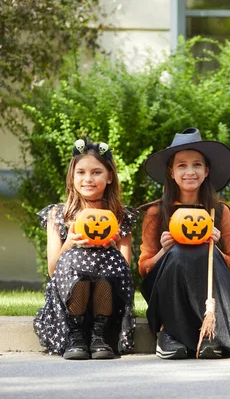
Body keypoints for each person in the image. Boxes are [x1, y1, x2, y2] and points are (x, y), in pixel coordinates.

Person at [138, 127, 230, 361]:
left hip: (206, 289)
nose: (190, 171)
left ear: (206, 170)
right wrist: (164, 251)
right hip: (167, 289)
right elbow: (144, 268)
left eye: (197, 165)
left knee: (199, 250)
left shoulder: (219, 211)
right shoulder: (156, 212)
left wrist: (216, 247)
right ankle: (170, 332)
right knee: (178, 252)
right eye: (182, 165)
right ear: (171, 172)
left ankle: (209, 331)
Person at [34, 138, 138, 360]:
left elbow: (125, 272)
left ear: (109, 176)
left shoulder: (121, 217)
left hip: (107, 298)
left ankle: (99, 335)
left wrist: (112, 251)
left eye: (96, 172)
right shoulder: (58, 215)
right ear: (72, 176)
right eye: (81, 172)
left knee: (106, 260)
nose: (88, 179)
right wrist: (70, 243)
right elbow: (52, 271)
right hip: (70, 297)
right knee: (78, 256)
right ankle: (77, 334)